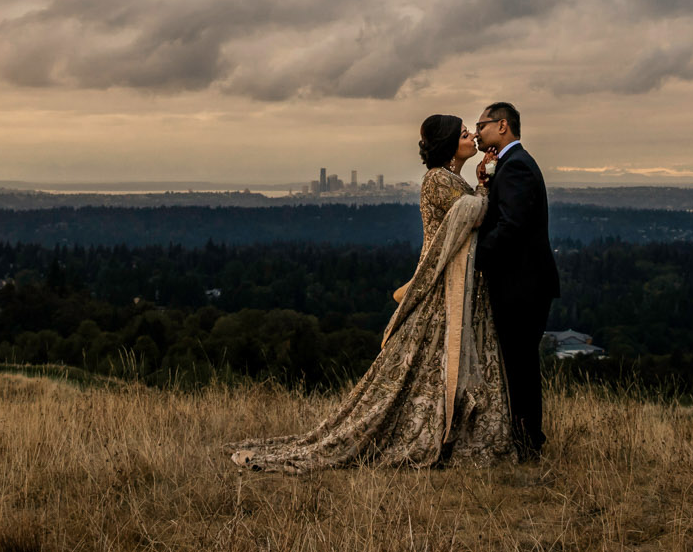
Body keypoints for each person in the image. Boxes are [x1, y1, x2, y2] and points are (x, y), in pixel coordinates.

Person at [227, 115, 513, 473]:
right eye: (463, 133)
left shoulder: (451, 178)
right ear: (447, 144)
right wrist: (485, 185)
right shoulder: (437, 179)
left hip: (451, 284)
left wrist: (479, 181)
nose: (471, 136)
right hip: (439, 287)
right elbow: (473, 215)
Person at [472, 100, 560, 461]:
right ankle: (523, 439)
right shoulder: (508, 165)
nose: (477, 132)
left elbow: (511, 227)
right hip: (519, 285)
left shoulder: (517, 167)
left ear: (502, 125)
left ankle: (528, 444)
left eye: (481, 125)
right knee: (516, 363)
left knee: (521, 365)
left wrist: (473, 257)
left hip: (523, 287)